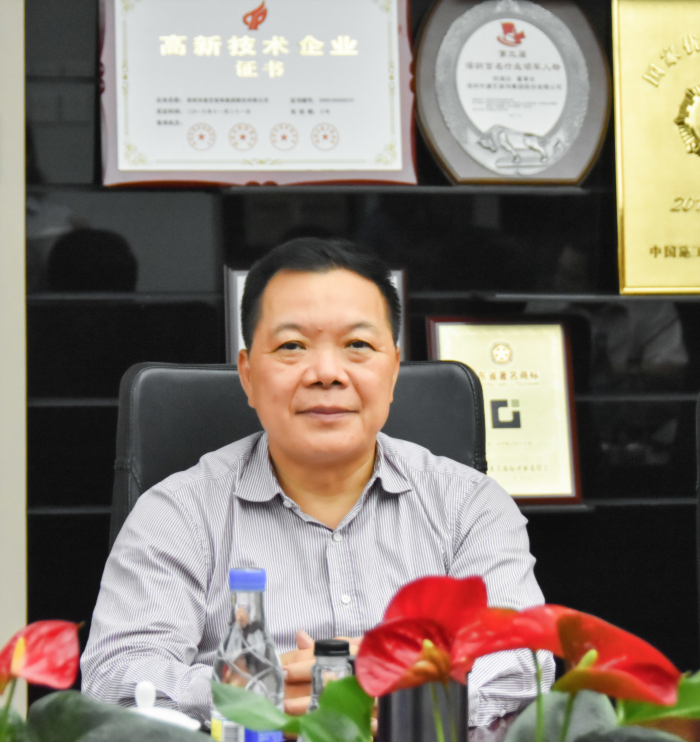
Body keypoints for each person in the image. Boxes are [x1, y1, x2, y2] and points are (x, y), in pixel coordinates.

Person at [81, 238, 554, 727]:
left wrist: (396, 684)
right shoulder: (177, 513)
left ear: (393, 370)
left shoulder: (470, 506)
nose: (327, 373)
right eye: (292, 346)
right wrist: (266, 689)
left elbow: (522, 665)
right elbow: (116, 681)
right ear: (248, 375)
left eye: (358, 346)